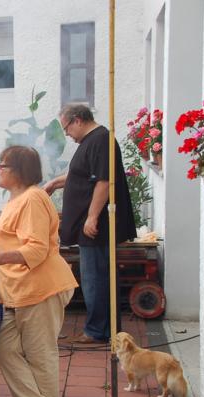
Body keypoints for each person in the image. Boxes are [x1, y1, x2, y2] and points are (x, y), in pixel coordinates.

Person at [0, 146, 78, 397]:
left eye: (3, 165)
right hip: (18, 291)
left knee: (40, 357)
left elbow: (37, 249)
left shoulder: (33, 198)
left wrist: (0, 258)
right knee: (4, 347)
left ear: (19, 171)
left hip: (40, 289)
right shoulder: (18, 199)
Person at [43, 104, 136, 343]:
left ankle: (98, 331)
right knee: (94, 277)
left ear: (77, 120)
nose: (66, 134)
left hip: (97, 227)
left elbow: (104, 182)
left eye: (66, 128)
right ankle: (102, 328)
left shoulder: (101, 140)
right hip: (91, 225)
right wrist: (54, 183)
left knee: (95, 279)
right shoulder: (91, 141)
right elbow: (81, 175)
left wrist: (92, 216)